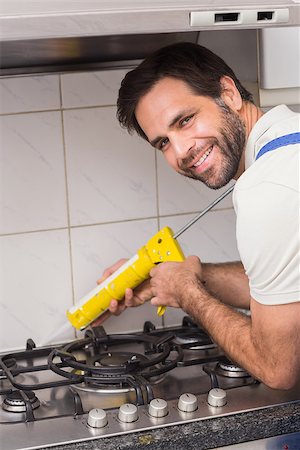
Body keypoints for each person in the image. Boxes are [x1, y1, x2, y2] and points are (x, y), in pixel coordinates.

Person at [96, 42, 300, 390]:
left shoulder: (266, 189)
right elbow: (286, 284)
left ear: (229, 93)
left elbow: (278, 368)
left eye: (185, 120)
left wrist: (187, 293)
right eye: (162, 143)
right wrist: (184, 276)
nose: (180, 151)